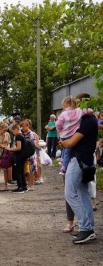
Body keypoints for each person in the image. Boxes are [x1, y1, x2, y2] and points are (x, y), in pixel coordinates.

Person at [59, 92, 97, 244]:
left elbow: (70, 143)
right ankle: (89, 229)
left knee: (70, 193)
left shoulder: (87, 121)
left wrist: (63, 141)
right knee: (83, 195)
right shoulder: (90, 119)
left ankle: (85, 227)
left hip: (79, 160)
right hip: (86, 161)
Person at [56, 96, 93, 175]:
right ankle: (63, 160)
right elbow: (88, 111)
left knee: (65, 149)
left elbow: (58, 124)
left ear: (65, 105)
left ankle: (64, 167)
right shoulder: (79, 111)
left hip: (64, 134)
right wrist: (91, 111)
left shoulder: (63, 113)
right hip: (73, 134)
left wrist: (60, 129)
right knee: (68, 151)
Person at [6, 124, 27, 193]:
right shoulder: (23, 135)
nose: (13, 133)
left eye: (13, 131)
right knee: (21, 171)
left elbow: (18, 147)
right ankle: (24, 186)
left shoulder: (18, 136)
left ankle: (19, 187)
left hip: (19, 156)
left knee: (18, 171)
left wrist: (10, 149)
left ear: (16, 129)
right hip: (24, 155)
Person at [20, 119, 41, 191]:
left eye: (24, 126)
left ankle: (31, 185)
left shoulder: (31, 134)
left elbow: (33, 144)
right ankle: (27, 184)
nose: (23, 128)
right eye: (22, 126)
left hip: (31, 154)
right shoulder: (22, 134)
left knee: (31, 170)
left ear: (28, 126)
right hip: (24, 154)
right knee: (26, 170)